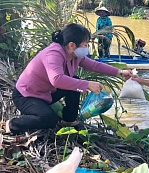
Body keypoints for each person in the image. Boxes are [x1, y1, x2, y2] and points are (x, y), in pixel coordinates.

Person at [4, 23, 132, 134]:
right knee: (49, 119)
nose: (87, 48)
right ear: (72, 45)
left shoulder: (74, 55)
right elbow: (57, 79)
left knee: (75, 81)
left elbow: (94, 65)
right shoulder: (54, 54)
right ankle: (12, 124)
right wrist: (87, 84)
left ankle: (69, 120)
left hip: (46, 93)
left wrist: (120, 72)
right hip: (26, 95)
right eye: (85, 44)